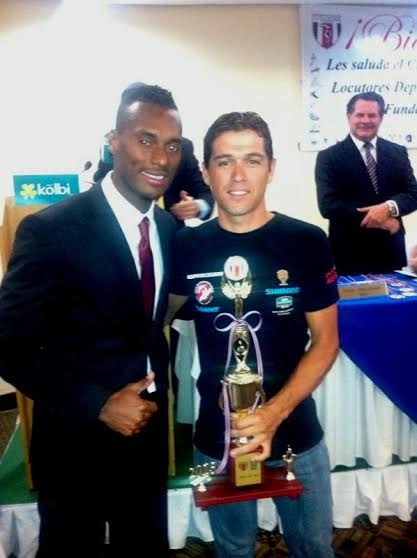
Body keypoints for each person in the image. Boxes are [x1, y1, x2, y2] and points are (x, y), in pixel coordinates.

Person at [0, 83, 182, 557]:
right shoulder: (52, 229)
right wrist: (99, 404)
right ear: (113, 141)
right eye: (146, 139)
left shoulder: (166, 227)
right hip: (74, 437)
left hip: (146, 430)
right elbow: (7, 346)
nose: (160, 157)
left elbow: (145, 318)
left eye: (172, 145)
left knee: (144, 545)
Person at [168, 112, 339, 557]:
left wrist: (273, 413)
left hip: (296, 434)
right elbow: (153, 320)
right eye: (224, 161)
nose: (239, 175)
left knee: (313, 549)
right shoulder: (186, 247)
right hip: (217, 437)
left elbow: (326, 342)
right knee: (233, 551)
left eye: (253, 160)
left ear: (271, 168)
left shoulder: (306, 241)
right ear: (206, 171)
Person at [315, 91, 417, 275]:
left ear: (381, 118)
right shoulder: (328, 157)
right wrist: (381, 220)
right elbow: (328, 206)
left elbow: (413, 194)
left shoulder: (398, 152)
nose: (366, 120)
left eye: (372, 115)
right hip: (348, 255)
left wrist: (388, 208)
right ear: (349, 117)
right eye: (360, 114)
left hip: (390, 252)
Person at [93, 83, 214, 228]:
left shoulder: (184, 148)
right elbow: (100, 185)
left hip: (170, 234)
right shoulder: (117, 146)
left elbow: (205, 193)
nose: (161, 160)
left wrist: (197, 206)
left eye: (171, 147)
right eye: (144, 142)